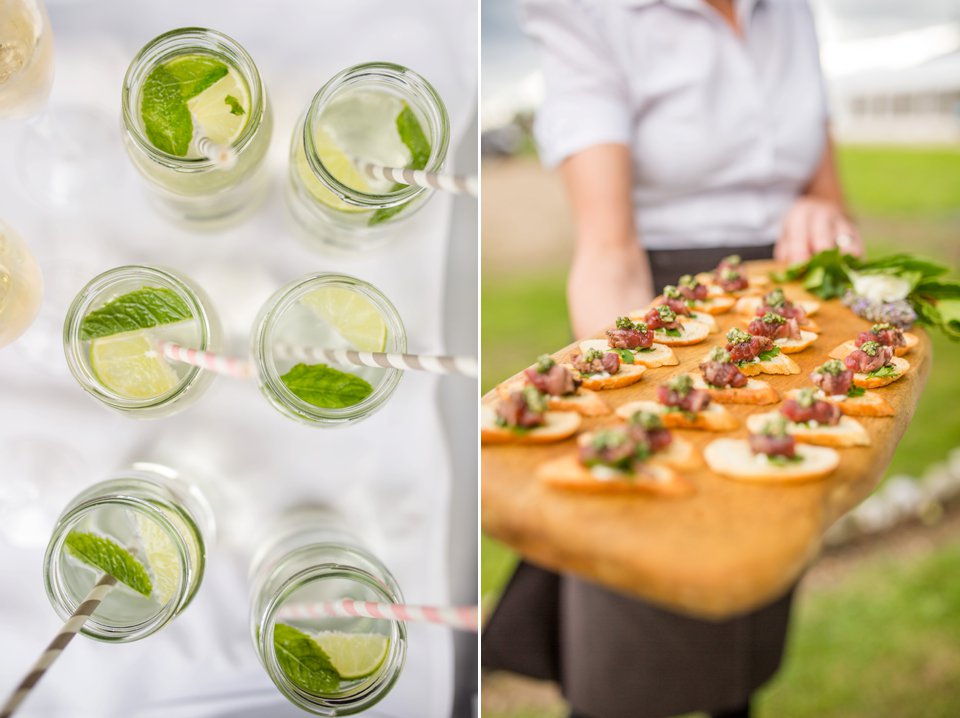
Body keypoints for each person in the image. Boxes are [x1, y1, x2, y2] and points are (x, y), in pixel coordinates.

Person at [482, 1, 863, 717]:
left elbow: (830, 202)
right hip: (662, 312)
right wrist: (648, 400)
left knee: (739, 598)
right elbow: (609, 250)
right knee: (629, 641)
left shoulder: (792, 11)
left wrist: (824, 221)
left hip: (790, 327)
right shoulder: (586, 14)